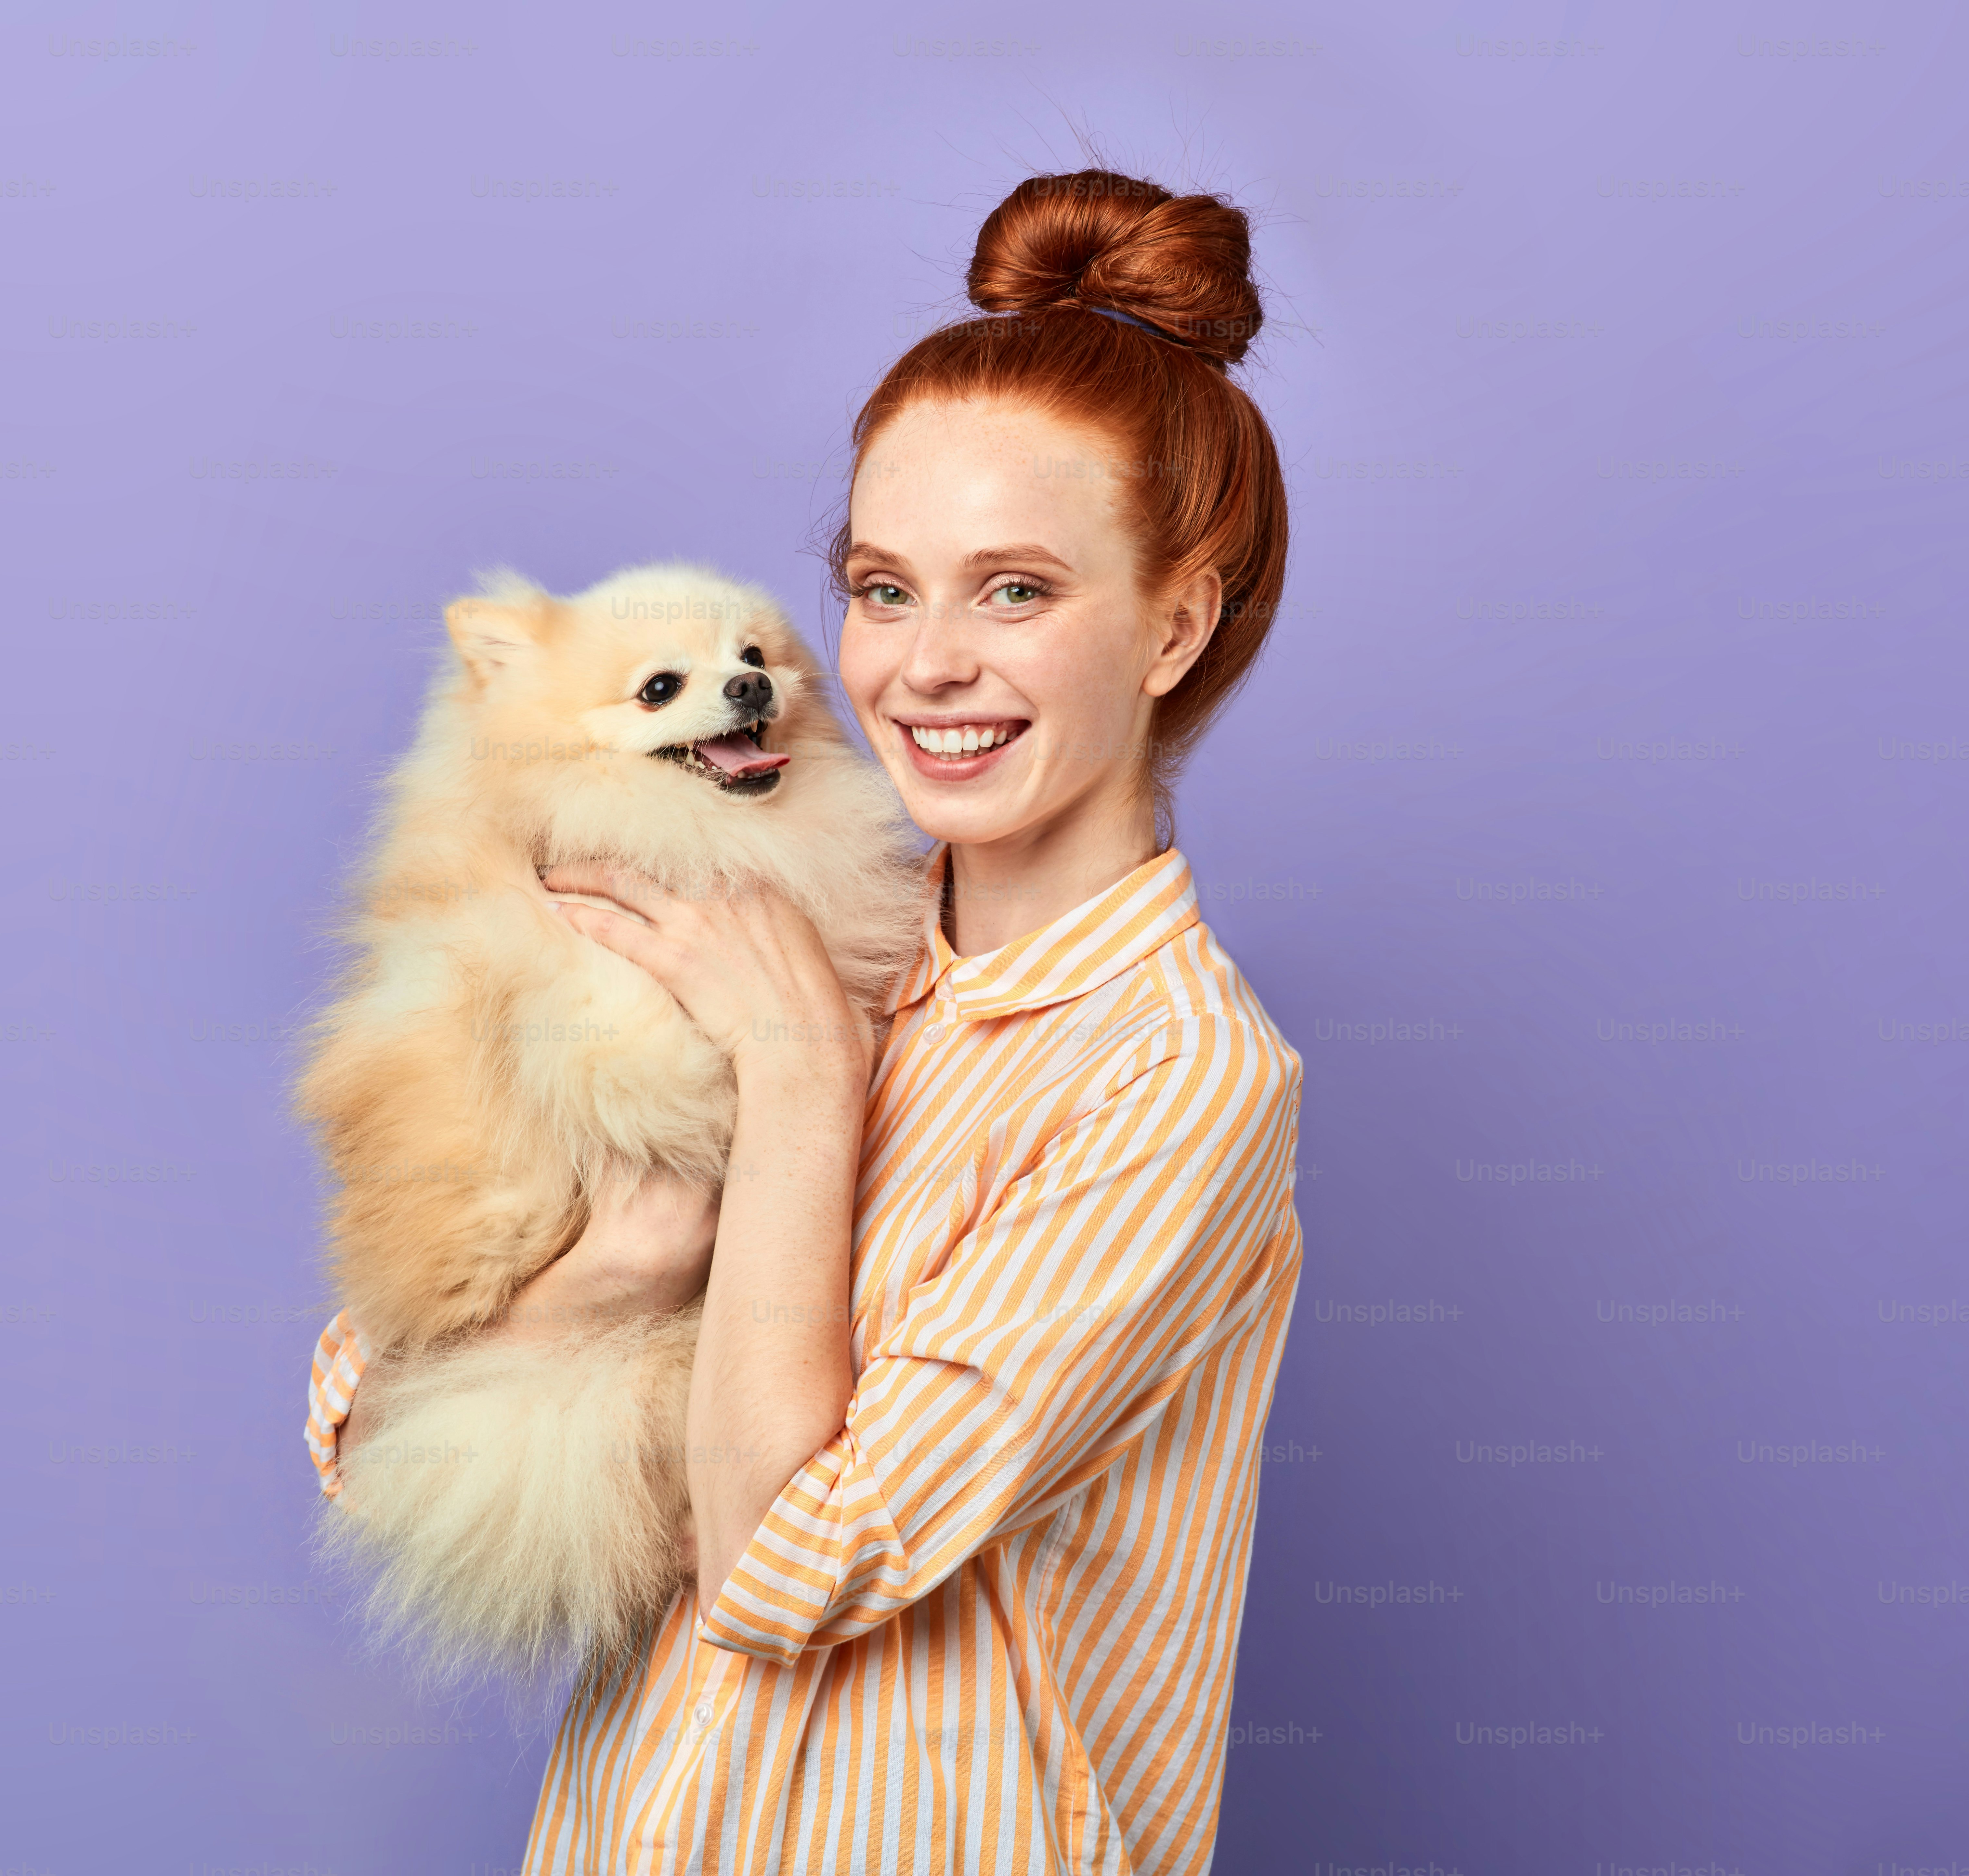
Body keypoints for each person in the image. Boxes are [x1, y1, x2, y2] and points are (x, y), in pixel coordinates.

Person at [305, 166, 1304, 1873]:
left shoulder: (1175, 1079)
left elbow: (779, 1559)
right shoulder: (790, 935)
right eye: (883, 587)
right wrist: (617, 1263)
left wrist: (793, 1078)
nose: (921, 665)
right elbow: (371, 1420)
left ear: (1173, 625)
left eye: (1015, 590)